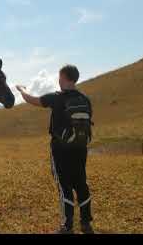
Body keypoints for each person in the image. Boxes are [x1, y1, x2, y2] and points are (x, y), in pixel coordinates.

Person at [16, 64, 94, 234]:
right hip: (81, 148)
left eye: (59, 77)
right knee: (81, 183)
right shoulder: (85, 99)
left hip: (60, 149)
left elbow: (32, 100)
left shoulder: (56, 98)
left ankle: (67, 226)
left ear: (64, 78)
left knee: (64, 186)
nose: (58, 80)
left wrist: (21, 89)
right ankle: (86, 223)